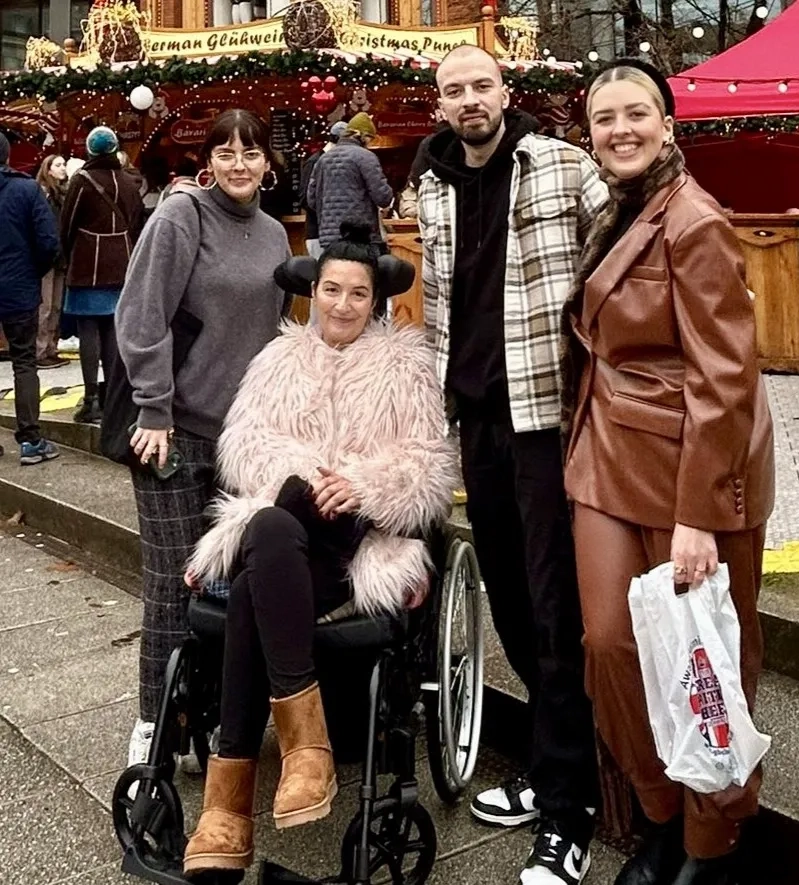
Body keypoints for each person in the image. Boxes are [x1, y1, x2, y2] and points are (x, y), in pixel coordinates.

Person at [181, 225, 458, 876]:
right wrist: (306, 476)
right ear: (312, 292)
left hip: (356, 542)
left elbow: (427, 466)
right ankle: (306, 748)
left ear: (375, 300)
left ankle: (228, 805)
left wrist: (357, 485)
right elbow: (243, 448)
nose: (341, 304)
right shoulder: (277, 360)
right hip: (286, 530)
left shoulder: (405, 365)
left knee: (257, 566)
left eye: (356, 293)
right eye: (330, 289)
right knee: (269, 534)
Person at [561, 60, 775, 885]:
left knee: (706, 661)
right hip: (604, 456)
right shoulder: (618, 210)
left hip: (688, 468)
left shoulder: (694, 219)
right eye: (604, 117)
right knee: (610, 644)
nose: (619, 129)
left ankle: (709, 839)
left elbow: (726, 377)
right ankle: (656, 810)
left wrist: (699, 515)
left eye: (636, 114)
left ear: (667, 122)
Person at [419, 44, 609, 885]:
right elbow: (437, 303)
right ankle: (552, 761)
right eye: (453, 89)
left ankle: (570, 812)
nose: (469, 100)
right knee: (507, 594)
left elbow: (631, 247)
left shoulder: (564, 166)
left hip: (544, 418)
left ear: (506, 91)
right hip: (476, 421)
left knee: (551, 599)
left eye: (479, 85)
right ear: (440, 105)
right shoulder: (429, 185)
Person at [115, 109, 292, 772]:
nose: (239, 163)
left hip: (241, 439)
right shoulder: (181, 216)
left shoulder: (275, 235)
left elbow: (273, 332)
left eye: (250, 152)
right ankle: (152, 722)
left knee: (226, 584)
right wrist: (153, 409)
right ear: (209, 160)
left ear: (267, 163)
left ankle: (210, 711)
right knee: (171, 581)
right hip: (174, 430)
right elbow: (142, 314)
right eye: (227, 151)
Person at [60, 127, 143, 424]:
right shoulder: (129, 181)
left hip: (87, 264)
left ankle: (91, 398)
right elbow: (135, 223)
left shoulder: (82, 181)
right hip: (121, 262)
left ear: (91, 150)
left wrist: (67, 258)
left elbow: (67, 225)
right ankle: (112, 398)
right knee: (112, 331)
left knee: (88, 332)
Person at [0, 132, 61, 465]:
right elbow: (48, 241)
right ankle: (30, 440)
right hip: (19, 288)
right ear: (7, 156)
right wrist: (32, 272)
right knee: (24, 363)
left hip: (17, 282)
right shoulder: (25, 190)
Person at [307, 112, 393, 252]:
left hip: (329, 238)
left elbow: (311, 200)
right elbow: (383, 197)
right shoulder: (366, 157)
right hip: (361, 236)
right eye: (369, 138)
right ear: (361, 135)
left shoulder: (323, 159)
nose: (369, 143)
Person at [34, 154, 70, 369]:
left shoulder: (62, 195)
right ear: (48, 170)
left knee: (56, 306)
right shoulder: (42, 194)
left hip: (60, 256)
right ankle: (41, 350)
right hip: (47, 257)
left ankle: (51, 347)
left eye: (64, 164)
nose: (63, 168)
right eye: (58, 165)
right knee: (46, 306)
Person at [301, 120, 348, 259]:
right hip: (317, 233)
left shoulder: (336, 162)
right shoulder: (314, 162)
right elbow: (304, 198)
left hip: (334, 234)